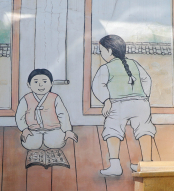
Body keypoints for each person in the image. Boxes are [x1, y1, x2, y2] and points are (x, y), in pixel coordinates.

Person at [91, 35, 156, 176]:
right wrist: (144, 96)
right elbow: (146, 79)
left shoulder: (106, 68)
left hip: (118, 104)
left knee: (113, 130)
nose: (101, 53)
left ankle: (115, 165)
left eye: (101, 50)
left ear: (109, 51)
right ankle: (148, 164)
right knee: (144, 130)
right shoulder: (134, 63)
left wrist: (106, 100)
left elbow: (97, 86)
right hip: (140, 103)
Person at [15, 69, 78, 150]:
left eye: (45, 82)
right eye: (36, 82)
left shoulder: (55, 98)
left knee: (57, 144)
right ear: (29, 84)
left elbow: (63, 114)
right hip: (33, 129)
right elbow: (20, 115)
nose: (40, 85)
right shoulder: (26, 99)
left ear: (51, 83)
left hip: (53, 129)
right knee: (30, 145)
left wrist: (67, 130)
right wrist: (24, 129)